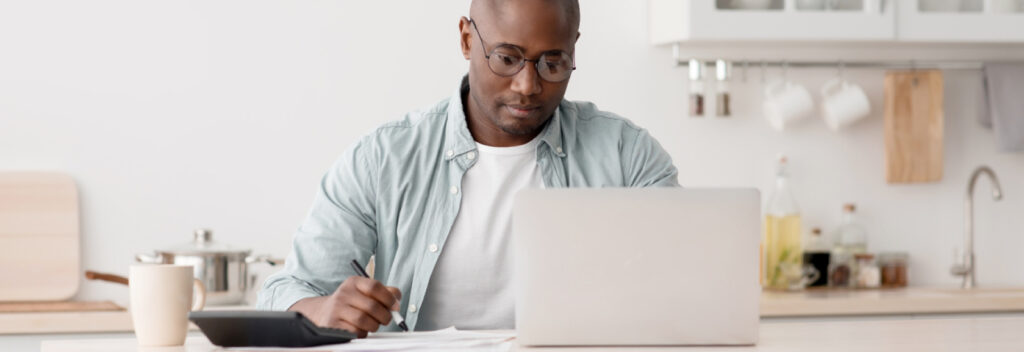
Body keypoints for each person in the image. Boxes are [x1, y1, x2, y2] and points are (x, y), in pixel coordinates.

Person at [257, 0, 679, 337]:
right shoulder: (383, 158)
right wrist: (322, 309)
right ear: (466, 38)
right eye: (507, 58)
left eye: (553, 63)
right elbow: (284, 289)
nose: (527, 85)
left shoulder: (628, 156)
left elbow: (682, 288)